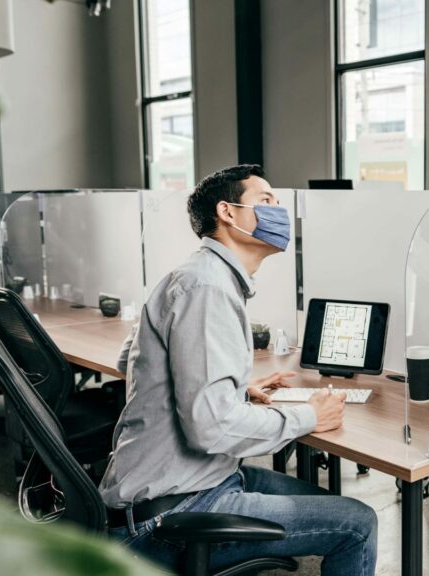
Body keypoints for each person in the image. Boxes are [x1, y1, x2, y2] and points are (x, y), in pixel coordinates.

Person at [99, 165, 377, 575]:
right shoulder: (208, 287)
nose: (278, 211)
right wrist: (309, 416)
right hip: (173, 514)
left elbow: (131, 361)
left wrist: (229, 386)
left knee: (329, 501)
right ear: (227, 213)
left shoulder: (197, 275)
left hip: (194, 484)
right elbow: (210, 428)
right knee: (357, 523)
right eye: (266, 201)